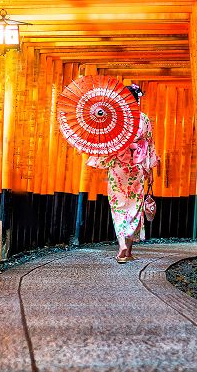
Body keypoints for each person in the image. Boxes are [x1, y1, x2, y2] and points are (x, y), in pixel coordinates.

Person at [86, 84, 160, 263]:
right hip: (137, 167)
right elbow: (148, 144)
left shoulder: (114, 120)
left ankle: (122, 246)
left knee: (118, 206)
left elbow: (105, 143)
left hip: (118, 168)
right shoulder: (143, 119)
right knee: (134, 207)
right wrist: (149, 168)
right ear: (137, 100)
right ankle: (128, 252)